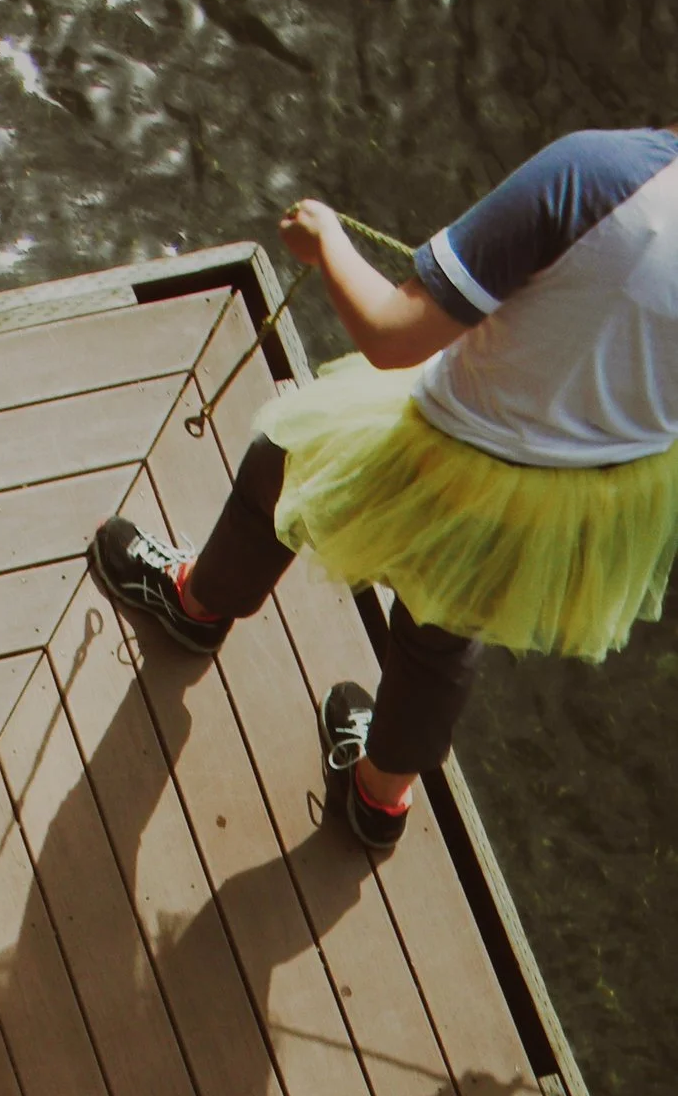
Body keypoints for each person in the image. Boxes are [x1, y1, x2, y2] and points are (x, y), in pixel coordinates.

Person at [90, 128, 678, 849]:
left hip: (461, 445)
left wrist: (326, 241)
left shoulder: (595, 175)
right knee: (444, 630)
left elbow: (392, 336)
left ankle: (195, 604)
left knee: (282, 464)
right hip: (590, 496)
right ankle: (379, 796)